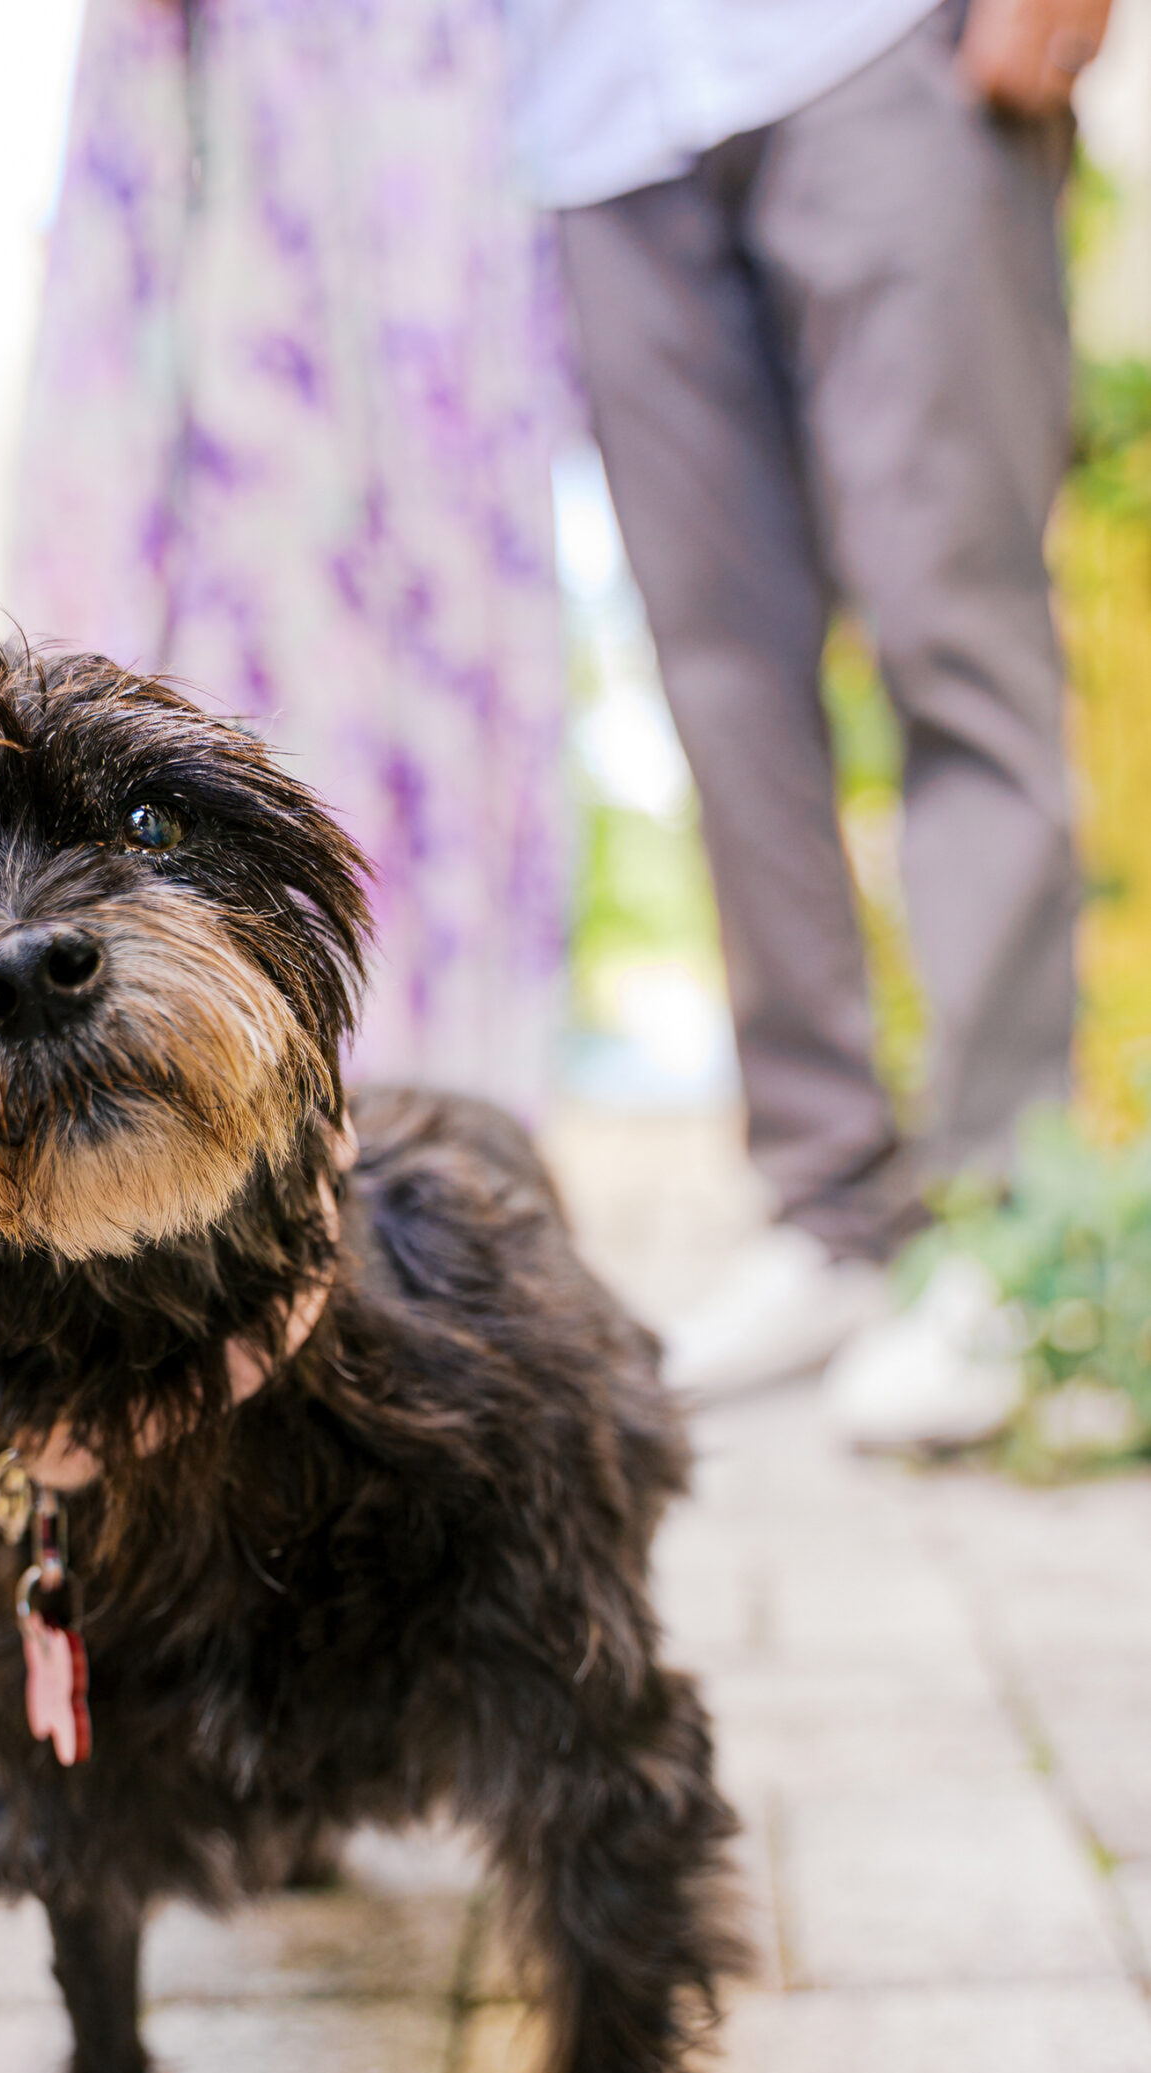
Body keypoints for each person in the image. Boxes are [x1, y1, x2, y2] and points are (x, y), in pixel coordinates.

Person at [504, 0, 1112, 1442]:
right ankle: (831, 1205)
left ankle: (1001, 1224)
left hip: (871, 47)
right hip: (589, 117)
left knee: (952, 631)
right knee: (716, 687)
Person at [9, 0, 576, 1119]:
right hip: (262, 451)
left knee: (461, 800)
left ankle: (462, 1146)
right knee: (282, 782)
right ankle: (317, 1146)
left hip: (449, 451)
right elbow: (114, 204)